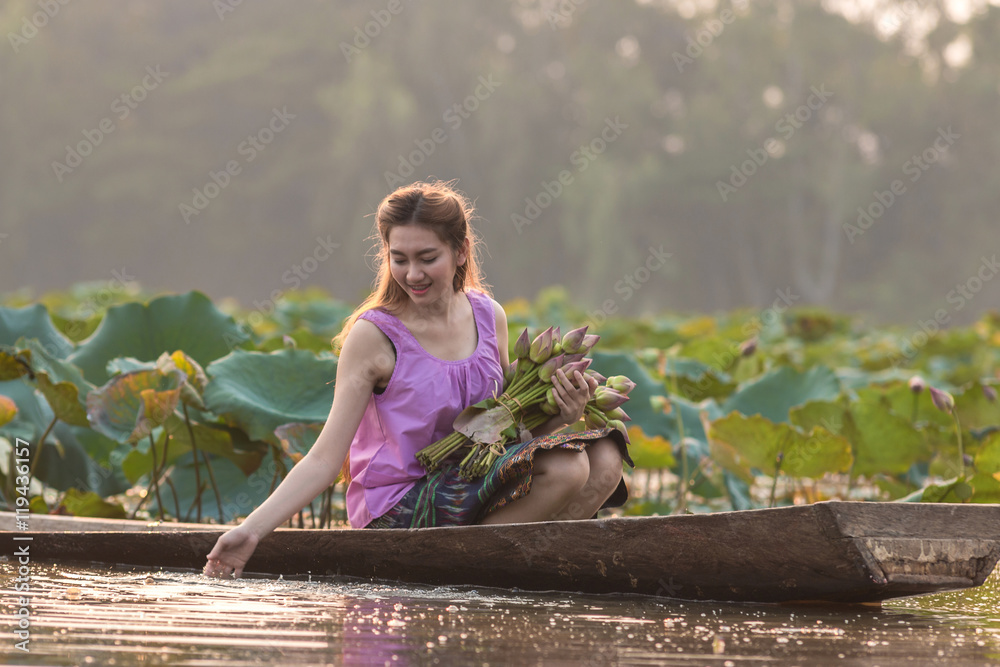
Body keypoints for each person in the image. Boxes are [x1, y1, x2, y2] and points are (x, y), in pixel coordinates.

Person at [204, 181, 632, 579]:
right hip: (397, 506)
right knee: (567, 465)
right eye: (400, 259)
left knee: (607, 459)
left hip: (469, 478)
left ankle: (520, 572)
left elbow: (501, 434)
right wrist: (252, 531)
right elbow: (323, 459)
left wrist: (563, 416)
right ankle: (477, 574)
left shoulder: (489, 316)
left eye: (428, 258)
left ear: (461, 251)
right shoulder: (374, 337)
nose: (412, 274)